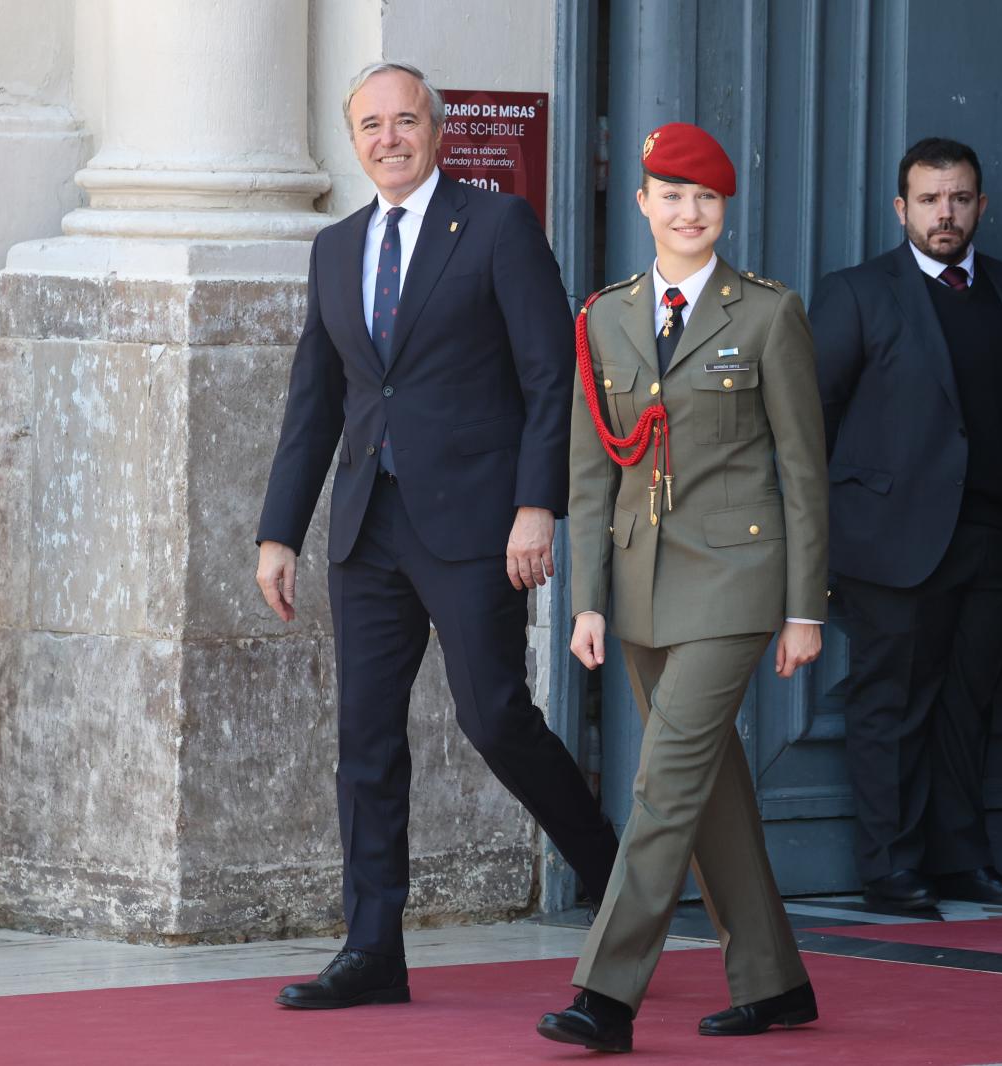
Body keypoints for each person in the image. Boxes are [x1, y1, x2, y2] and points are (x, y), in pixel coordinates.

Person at [255, 61, 617, 1008]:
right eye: (371, 124)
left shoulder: (496, 226)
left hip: (473, 525)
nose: (389, 138)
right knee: (366, 741)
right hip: (366, 528)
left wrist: (536, 505)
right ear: (354, 140)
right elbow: (315, 400)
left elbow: (550, 376)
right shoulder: (334, 247)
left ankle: (617, 881)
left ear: (438, 129)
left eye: (405, 120)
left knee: (494, 717)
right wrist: (279, 531)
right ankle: (373, 949)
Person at [537, 122, 827, 1053]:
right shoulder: (604, 316)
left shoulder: (768, 315)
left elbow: (803, 471)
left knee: (663, 785)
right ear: (643, 203)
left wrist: (805, 609)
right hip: (638, 585)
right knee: (710, 787)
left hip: (737, 580)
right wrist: (586, 600)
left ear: (724, 208)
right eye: (672, 195)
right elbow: (591, 473)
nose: (689, 212)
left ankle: (606, 993)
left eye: (705, 198)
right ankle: (775, 982)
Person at [809, 137, 1002, 912]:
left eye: (960, 198)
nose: (946, 213)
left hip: (998, 537)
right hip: (893, 541)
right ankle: (891, 868)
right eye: (930, 199)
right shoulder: (856, 293)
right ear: (901, 207)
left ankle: (961, 859)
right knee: (892, 707)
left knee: (967, 707)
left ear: (981, 205)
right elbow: (810, 421)